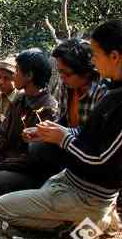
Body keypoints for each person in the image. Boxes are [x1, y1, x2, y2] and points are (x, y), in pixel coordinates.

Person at [0, 20, 122, 234]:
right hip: (72, 179)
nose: (94, 62)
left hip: (90, 194)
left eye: (96, 55)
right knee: (14, 194)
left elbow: (104, 161)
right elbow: (88, 134)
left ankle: (92, 219)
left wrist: (62, 138)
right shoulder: (115, 90)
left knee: (3, 207)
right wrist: (51, 132)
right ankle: (79, 217)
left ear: (115, 56)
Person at [0, 48, 58, 197]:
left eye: (18, 71)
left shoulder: (48, 109)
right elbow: (3, 134)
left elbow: (33, 158)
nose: (14, 77)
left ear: (30, 75)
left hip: (28, 170)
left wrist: (0, 165)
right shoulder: (19, 99)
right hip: (7, 158)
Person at [28, 38, 106, 181]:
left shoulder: (102, 93)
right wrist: (45, 132)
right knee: (36, 148)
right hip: (70, 145)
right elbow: (63, 120)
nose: (62, 77)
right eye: (60, 72)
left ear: (86, 72)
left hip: (91, 154)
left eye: (67, 73)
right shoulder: (66, 87)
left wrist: (58, 134)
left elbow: (95, 137)